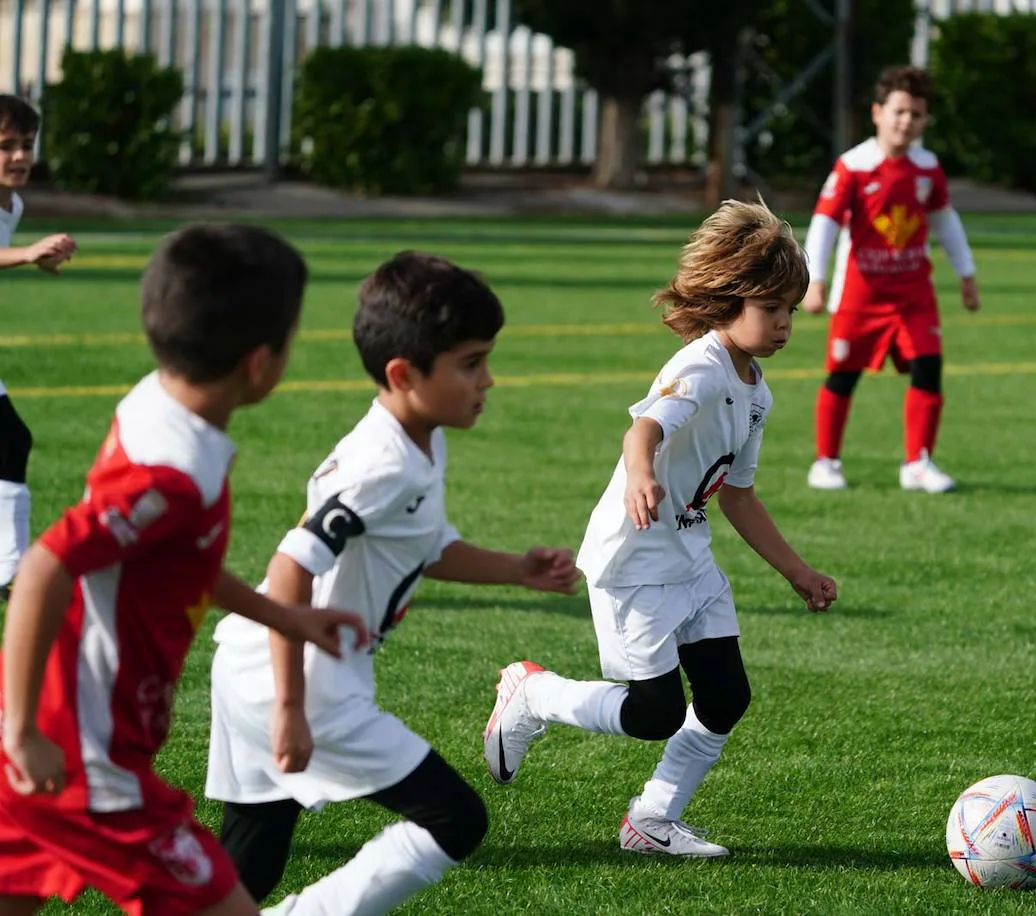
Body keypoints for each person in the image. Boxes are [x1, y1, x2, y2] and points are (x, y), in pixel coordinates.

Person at [0, 223, 369, 916]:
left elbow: (177, 564)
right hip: (87, 757)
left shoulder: (156, 401)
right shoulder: (169, 475)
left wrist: (281, 616)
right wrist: (23, 732)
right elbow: (47, 563)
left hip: (59, 728)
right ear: (260, 364)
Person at [206, 252, 581, 915]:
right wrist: (292, 707)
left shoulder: (417, 439)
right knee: (455, 818)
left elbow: (423, 544)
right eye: (470, 363)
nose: (487, 380)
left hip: (254, 661)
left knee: (249, 866)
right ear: (404, 374)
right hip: (301, 680)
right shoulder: (383, 464)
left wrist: (515, 571)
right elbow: (294, 566)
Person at [483, 199, 838, 858]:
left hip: (690, 556)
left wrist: (799, 571)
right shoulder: (699, 366)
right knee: (654, 714)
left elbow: (739, 497)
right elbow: (642, 428)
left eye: (793, 309)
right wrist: (643, 474)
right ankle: (532, 693)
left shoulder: (756, 392)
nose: (788, 323)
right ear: (731, 302)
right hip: (636, 563)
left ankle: (651, 820)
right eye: (774, 309)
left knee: (727, 694)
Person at [801, 65, 981, 493]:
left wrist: (966, 275)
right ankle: (826, 461)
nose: (907, 122)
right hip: (860, 294)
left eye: (916, 115)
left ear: (924, 120)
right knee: (843, 374)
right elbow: (824, 222)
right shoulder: (854, 166)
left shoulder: (927, 168)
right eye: (899, 111)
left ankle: (917, 462)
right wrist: (815, 278)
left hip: (914, 294)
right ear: (877, 112)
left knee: (928, 369)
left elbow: (945, 221)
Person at [0, 94, 78, 600]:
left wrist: (38, 259)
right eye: (5, 146)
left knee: (9, 442)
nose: (20, 157)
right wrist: (28, 253)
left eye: (26, 145)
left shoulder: (14, 203)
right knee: (9, 440)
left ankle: (10, 570)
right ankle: (10, 571)